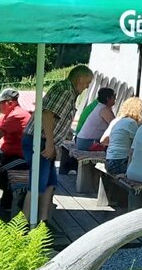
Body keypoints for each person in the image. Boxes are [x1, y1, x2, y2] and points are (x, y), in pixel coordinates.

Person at [21, 64, 93, 223]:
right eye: (87, 82)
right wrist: (50, 143)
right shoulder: (65, 91)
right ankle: (24, 227)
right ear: (79, 79)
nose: (87, 87)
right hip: (39, 141)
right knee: (38, 185)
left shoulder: (68, 91)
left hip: (45, 141)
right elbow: (48, 115)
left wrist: (54, 143)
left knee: (50, 184)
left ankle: (43, 223)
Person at [0, 88, 31, 211]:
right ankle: (8, 197)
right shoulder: (7, 114)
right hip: (9, 155)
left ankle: (11, 194)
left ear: (10, 103)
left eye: (0, 103)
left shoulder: (17, 115)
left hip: (21, 158)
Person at [101, 97, 142, 176]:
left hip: (109, 161)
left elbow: (103, 140)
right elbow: (137, 145)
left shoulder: (116, 120)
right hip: (120, 163)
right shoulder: (131, 123)